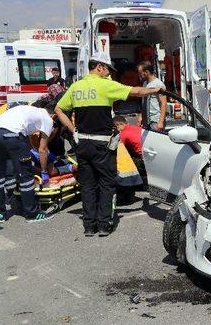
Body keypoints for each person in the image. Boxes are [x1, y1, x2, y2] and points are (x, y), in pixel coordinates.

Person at [55, 51, 163, 237]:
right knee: (106, 184)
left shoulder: (75, 87)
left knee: (88, 186)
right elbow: (135, 91)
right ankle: (104, 225)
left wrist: (74, 131)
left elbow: (58, 109)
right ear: (99, 66)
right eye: (107, 69)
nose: (109, 73)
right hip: (102, 146)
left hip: (83, 145)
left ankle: (89, 226)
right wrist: (156, 90)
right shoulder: (105, 85)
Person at [0, 103, 56, 223]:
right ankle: (32, 214)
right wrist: (44, 171)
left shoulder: (29, 110)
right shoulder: (48, 119)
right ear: (53, 115)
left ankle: (0, 213)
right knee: (25, 177)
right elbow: (42, 150)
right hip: (12, 135)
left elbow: (28, 138)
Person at [112, 116, 146, 185]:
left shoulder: (123, 134)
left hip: (142, 158)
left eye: (114, 128)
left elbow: (118, 149)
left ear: (117, 125)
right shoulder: (136, 127)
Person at [137, 61, 167, 131]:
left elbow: (164, 104)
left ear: (146, 72)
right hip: (147, 120)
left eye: (140, 73)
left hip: (155, 121)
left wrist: (160, 122)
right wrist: (141, 116)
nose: (139, 75)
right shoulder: (145, 83)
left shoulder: (158, 84)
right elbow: (144, 102)